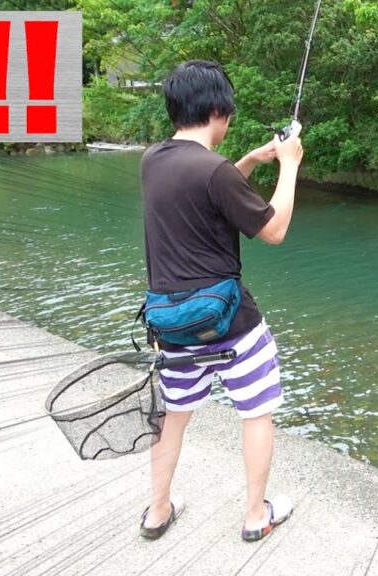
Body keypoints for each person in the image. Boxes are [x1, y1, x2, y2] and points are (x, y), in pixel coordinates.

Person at [137, 60, 303, 542]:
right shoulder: (214, 171)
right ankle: (255, 515)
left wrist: (249, 161)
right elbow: (274, 229)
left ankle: (158, 510)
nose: (229, 120)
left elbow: (205, 185)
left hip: (170, 324)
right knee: (257, 411)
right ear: (216, 110)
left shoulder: (153, 160)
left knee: (172, 418)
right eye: (227, 112)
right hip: (231, 324)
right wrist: (288, 167)